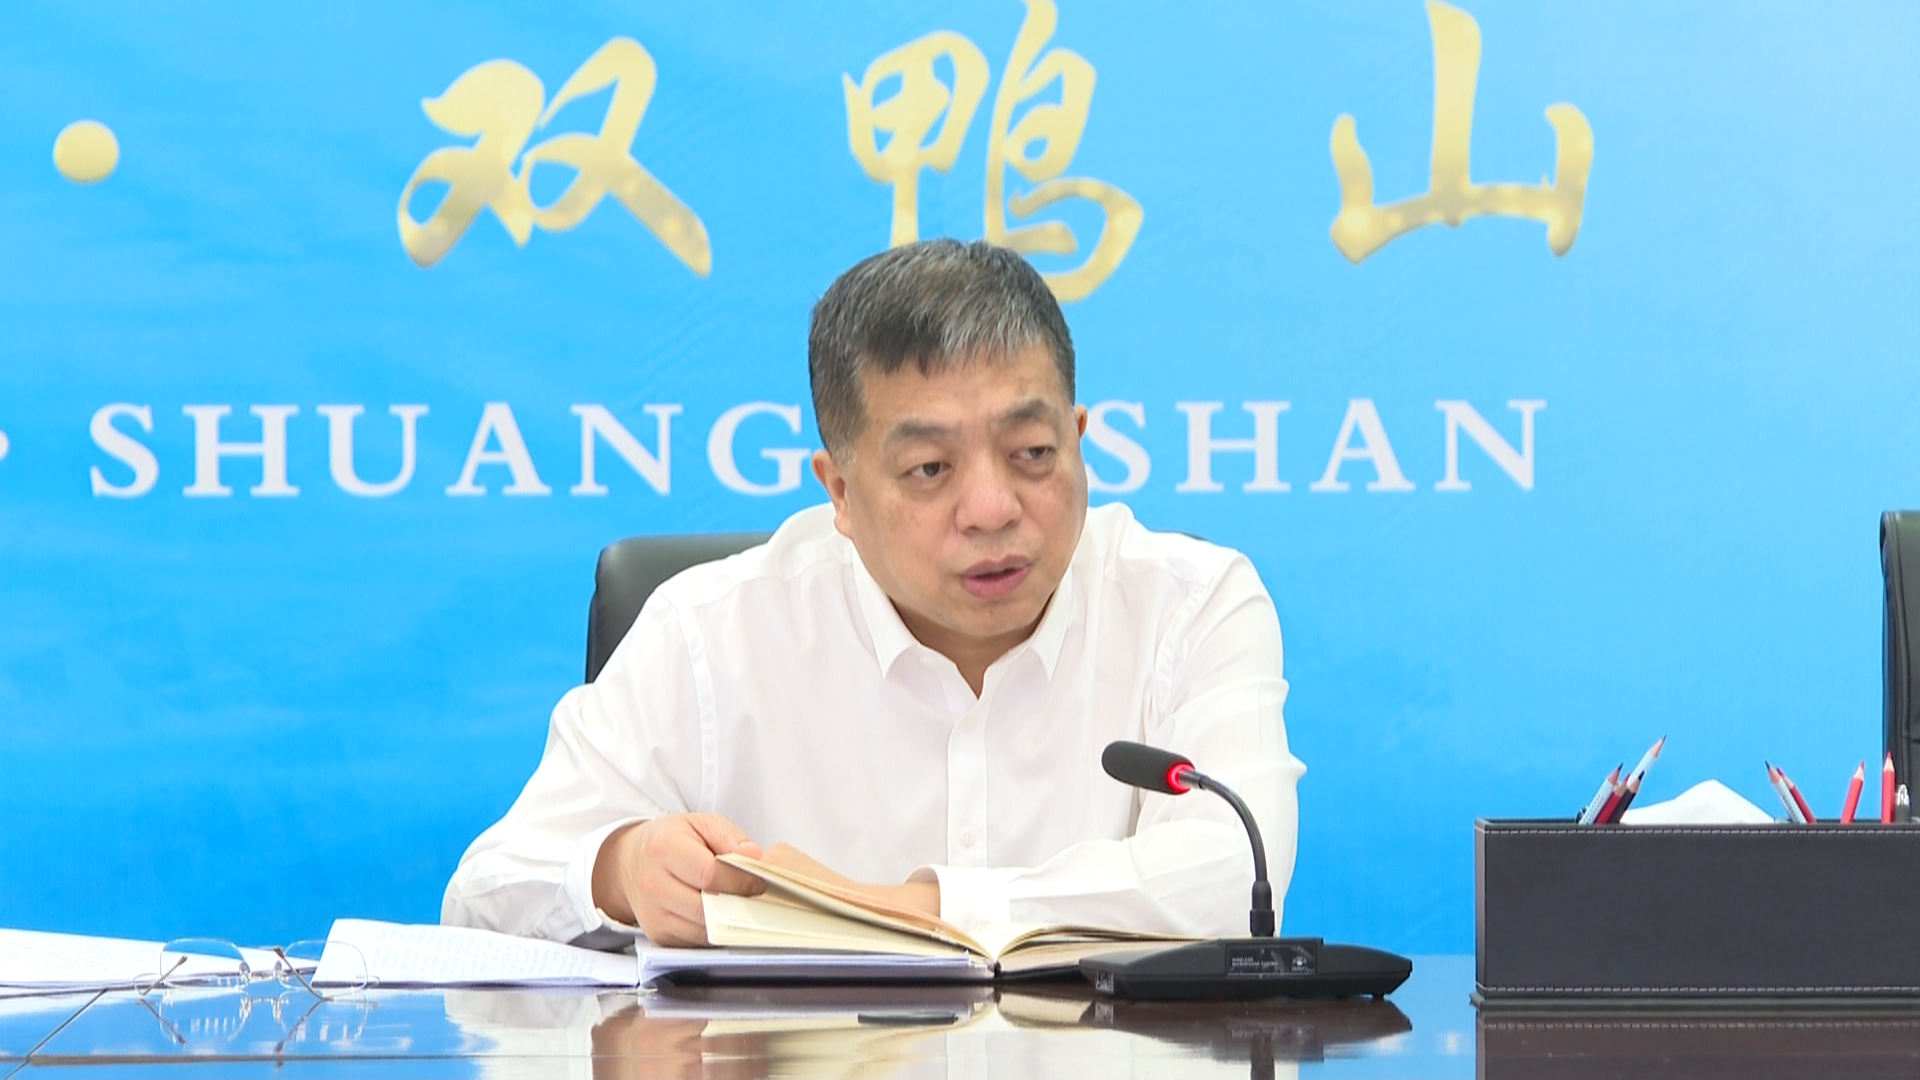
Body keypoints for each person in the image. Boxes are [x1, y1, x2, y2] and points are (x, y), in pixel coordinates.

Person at [443, 239, 1304, 949]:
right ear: (841, 494)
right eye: (929, 469)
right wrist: (623, 868)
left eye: (1033, 454)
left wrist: (873, 911)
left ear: (1079, 441)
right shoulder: (711, 633)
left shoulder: (1189, 607)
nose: (993, 508)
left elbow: (1235, 879)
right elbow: (485, 897)